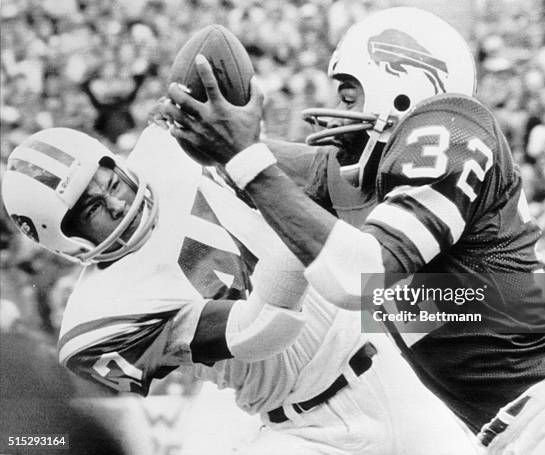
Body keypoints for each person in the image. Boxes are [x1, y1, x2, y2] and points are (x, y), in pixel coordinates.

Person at [160, 7, 545, 455]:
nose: (337, 112)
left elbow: (360, 275)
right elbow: (312, 177)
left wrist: (244, 159)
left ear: (400, 84)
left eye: (349, 94)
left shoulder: (452, 126)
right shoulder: (392, 183)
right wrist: (217, 142)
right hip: (517, 430)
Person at [1, 124, 479, 455]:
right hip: (309, 430)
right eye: (90, 209)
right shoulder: (98, 320)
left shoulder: (168, 145)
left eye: (109, 182)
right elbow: (261, 330)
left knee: (528, 321)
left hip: (377, 338)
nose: (113, 200)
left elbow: (327, 182)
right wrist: (298, 223)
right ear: (62, 237)